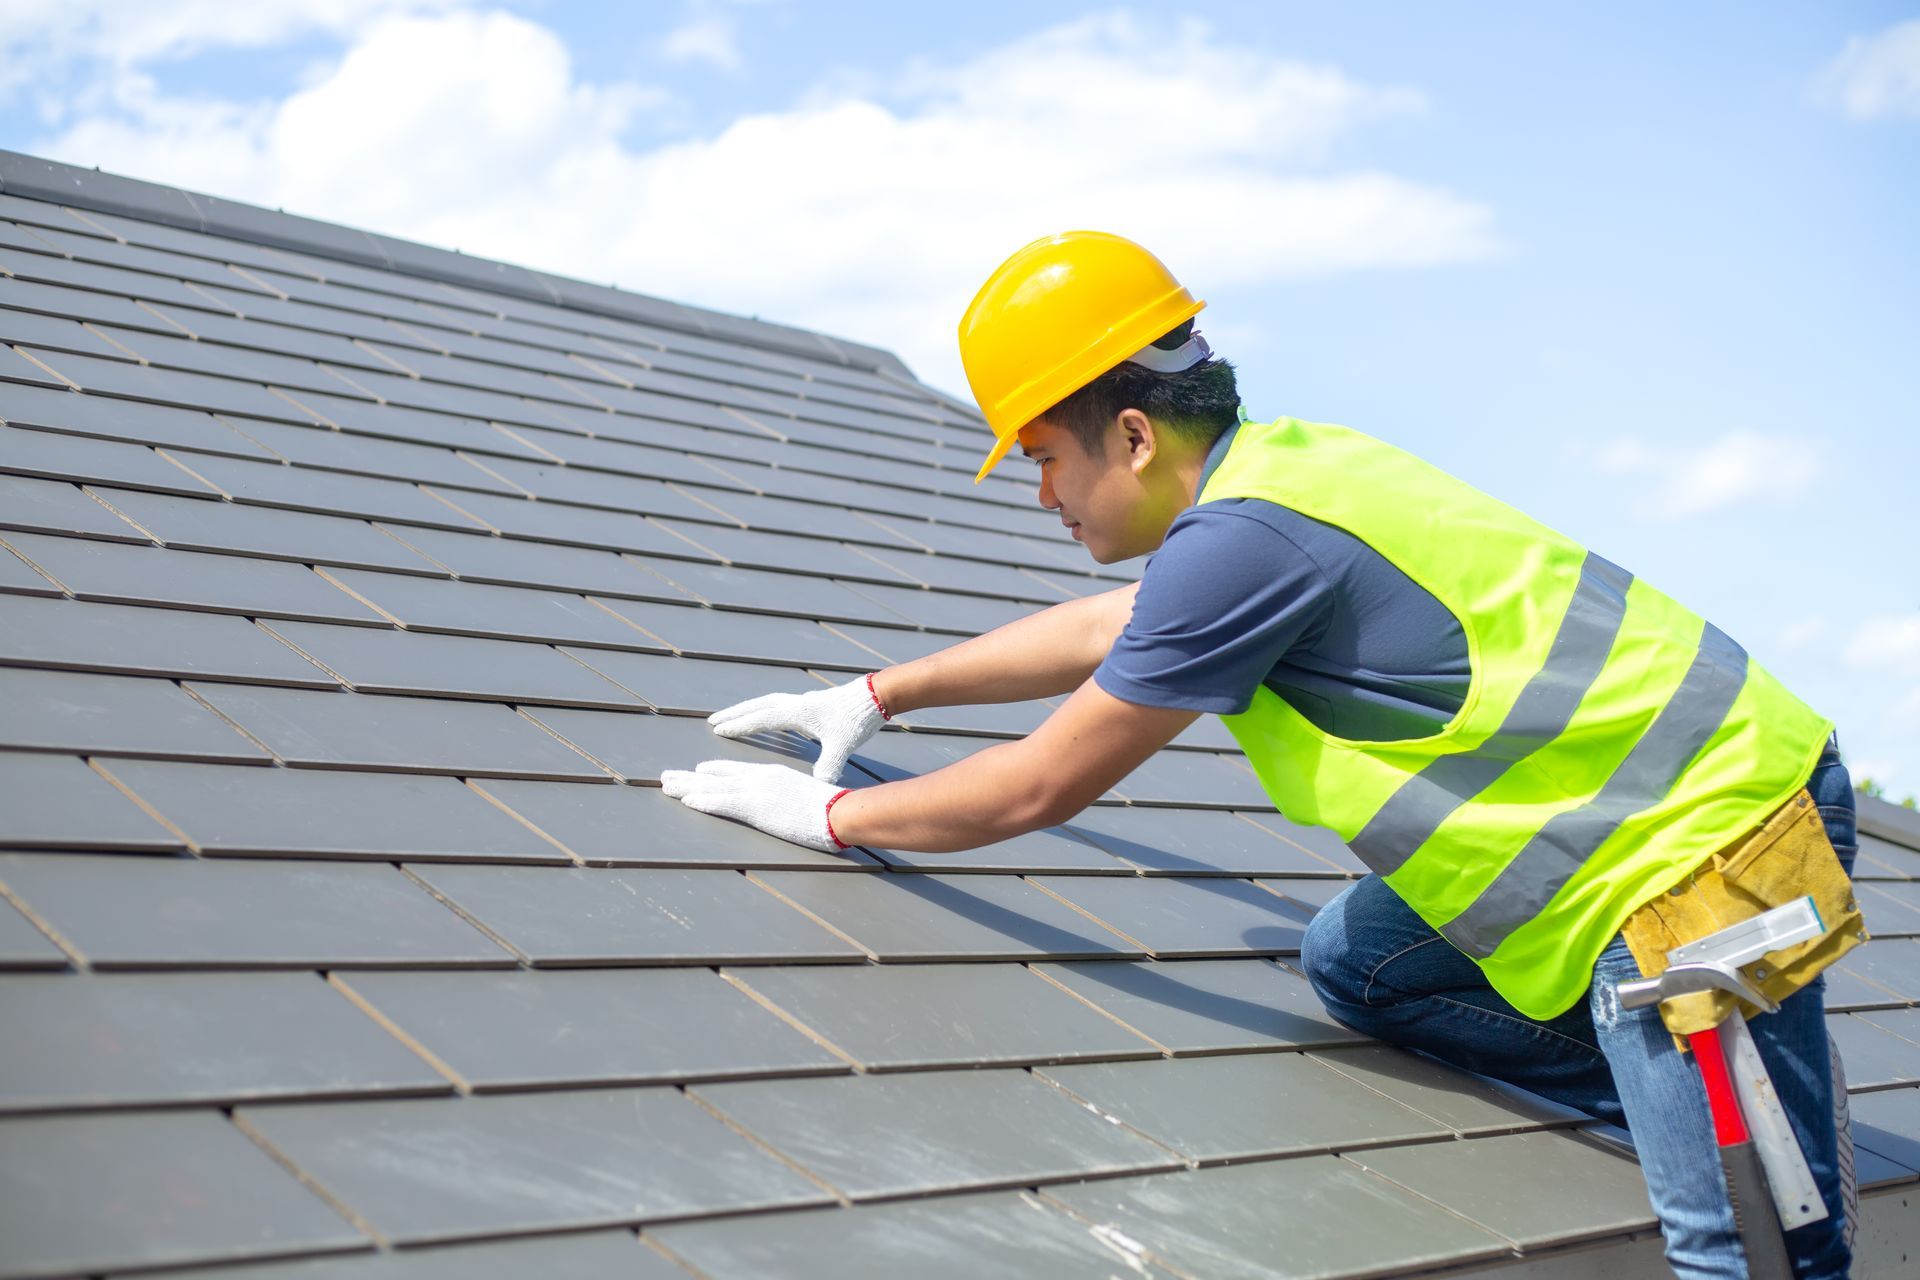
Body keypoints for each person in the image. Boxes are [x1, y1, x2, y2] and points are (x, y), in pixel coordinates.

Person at [662, 231, 1859, 1279]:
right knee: (1359, 962)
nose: (1041, 494)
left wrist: (826, 820)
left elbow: (1040, 783)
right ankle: (1709, 1099)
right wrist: (876, 694)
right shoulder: (1278, 474)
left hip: (1707, 852)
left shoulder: (1248, 540)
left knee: (1747, 1244)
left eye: (1041, 455)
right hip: (1641, 826)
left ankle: (1737, 1113)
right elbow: (1105, 628)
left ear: (1129, 434)